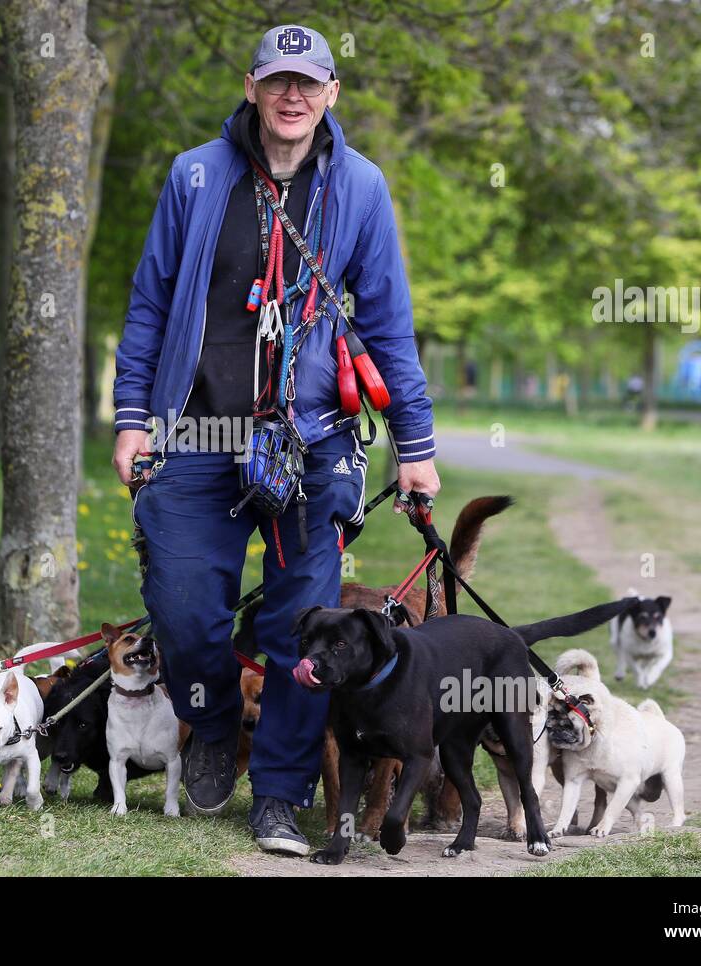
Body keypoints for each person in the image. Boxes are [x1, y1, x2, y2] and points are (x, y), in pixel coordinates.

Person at [111, 24, 439, 855]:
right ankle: (216, 722)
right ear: (252, 86)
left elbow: (391, 329)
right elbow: (149, 305)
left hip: (314, 439)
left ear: (332, 95)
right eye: (278, 80)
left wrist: (417, 445)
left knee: (307, 626)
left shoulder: (361, 188)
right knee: (184, 604)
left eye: (310, 83)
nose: (293, 96)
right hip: (197, 430)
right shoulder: (195, 175)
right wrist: (129, 419)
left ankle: (281, 797)